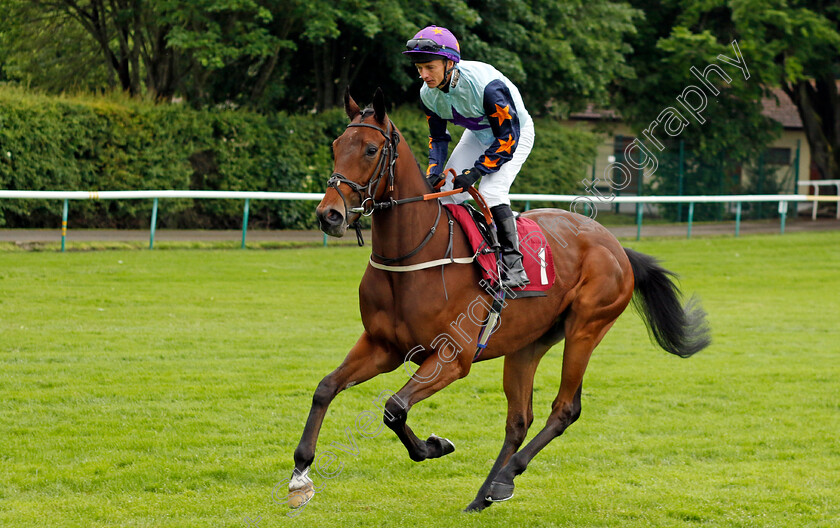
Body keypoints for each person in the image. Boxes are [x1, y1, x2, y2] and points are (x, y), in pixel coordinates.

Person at [404, 25, 535, 288]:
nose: (423, 75)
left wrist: (475, 172)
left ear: (450, 62)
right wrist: (433, 172)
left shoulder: (488, 87)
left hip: (514, 135)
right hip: (477, 133)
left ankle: (513, 263)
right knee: (449, 190)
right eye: (419, 68)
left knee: (491, 191)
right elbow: (438, 138)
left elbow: (506, 139)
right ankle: (463, 255)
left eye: (429, 67)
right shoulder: (427, 95)